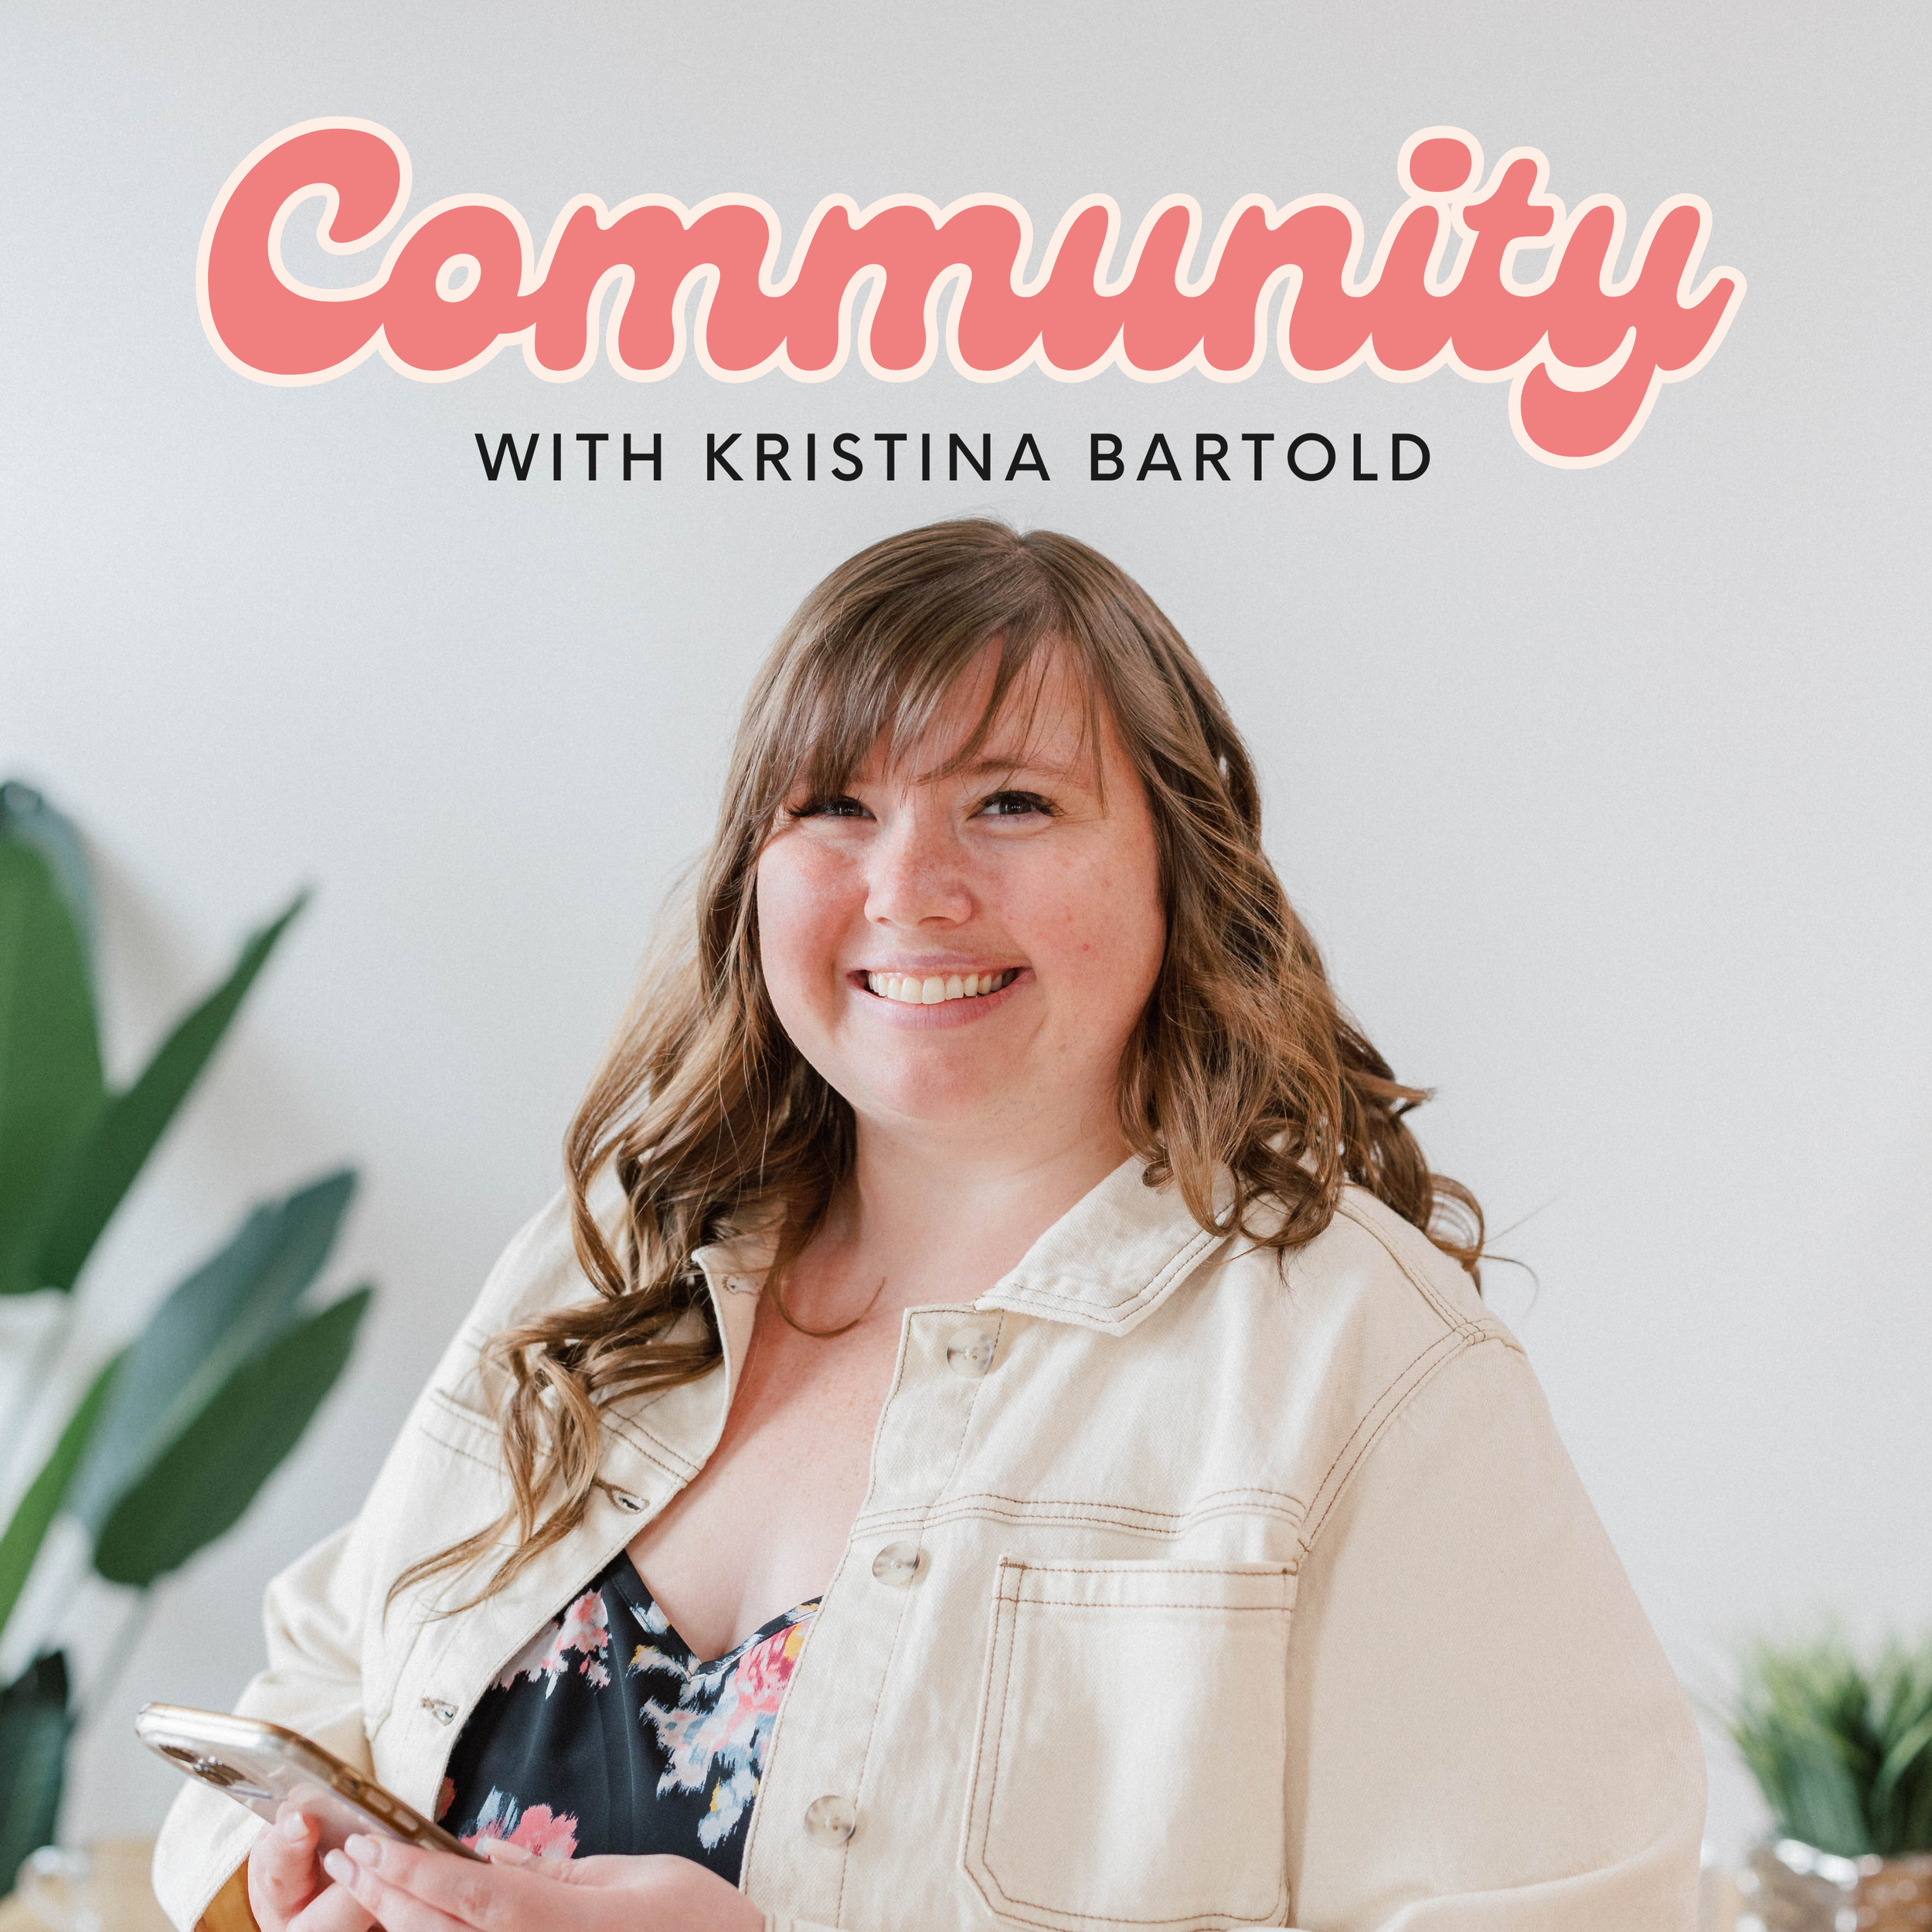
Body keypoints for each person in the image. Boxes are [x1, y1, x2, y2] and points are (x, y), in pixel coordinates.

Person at [152, 519, 1704, 1932]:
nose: (911, 886)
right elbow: (328, 1668)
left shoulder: (1365, 1367)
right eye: (833, 804)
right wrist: (293, 1870)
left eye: (1012, 801)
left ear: (1179, 861)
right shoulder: (610, 1260)